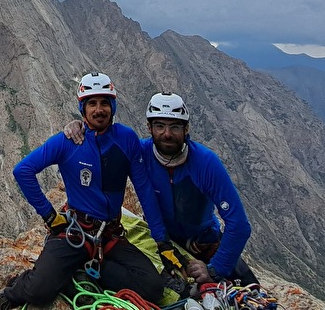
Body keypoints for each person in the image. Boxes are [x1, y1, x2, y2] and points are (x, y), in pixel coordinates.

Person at [0, 73, 186, 310]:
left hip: (110, 235)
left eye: (104, 102)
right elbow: (23, 171)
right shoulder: (68, 141)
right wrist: (50, 217)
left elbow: (145, 192)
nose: (99, 110)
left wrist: (163, 243)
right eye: (92, 103)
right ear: (82, 109)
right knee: (39, 290)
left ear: (113, 106)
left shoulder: (126, 139)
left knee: (152, 288)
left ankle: (81, 273)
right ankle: (9, 295)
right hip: (75, 232)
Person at [65, 91, 256, 288]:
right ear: (149, 127)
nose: (167, 133)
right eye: (159, 126)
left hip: (203, 243)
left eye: (174, 126)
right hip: (162, 240)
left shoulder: (206, 163)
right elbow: (101, 148)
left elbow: (239, 224)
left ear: (186, 128)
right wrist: (81, 127)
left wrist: (215, 270)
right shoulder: (140, 153)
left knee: (254, 294)